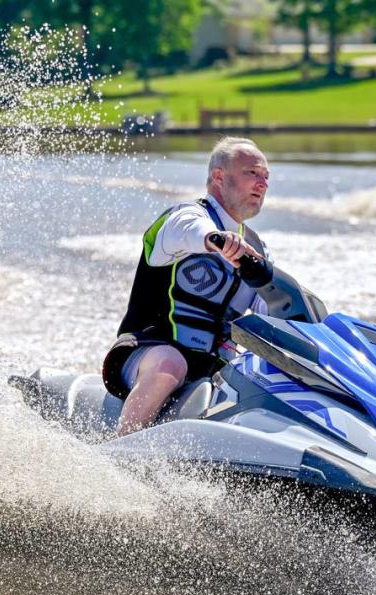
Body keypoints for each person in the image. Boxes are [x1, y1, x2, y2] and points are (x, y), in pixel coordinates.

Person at [102, 136, 271, 436]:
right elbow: (192, 229)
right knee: (171, 364)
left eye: (266, 177)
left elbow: (272, 310)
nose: (262, 183)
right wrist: (216, 240)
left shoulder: (258, 249)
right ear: (219, 176)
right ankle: (118, 449)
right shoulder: (184, 218)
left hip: (215, 365)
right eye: (252, 173)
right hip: (149, 350)